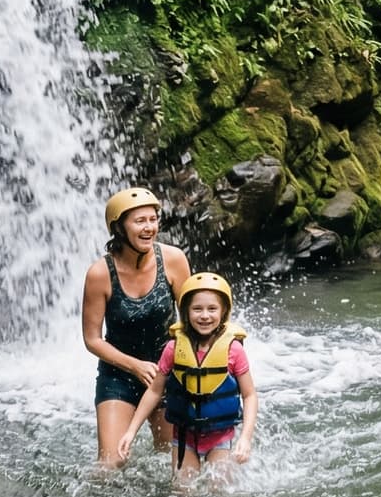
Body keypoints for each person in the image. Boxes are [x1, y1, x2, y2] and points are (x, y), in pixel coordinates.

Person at [82, 186, 192, 466]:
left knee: (172, 462)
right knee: (109, 465)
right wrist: (135, 366)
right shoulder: (99, 274)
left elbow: (192, 320)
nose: (149, 227)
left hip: (167, 374)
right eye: (139, 221)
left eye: (153, 219)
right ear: (119, 228)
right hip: (118, 376)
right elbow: (92, 339)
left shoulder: (173, 260)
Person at [118, 272, 258, 476]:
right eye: (197, 309)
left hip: (219, 437)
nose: (204, 316)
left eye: (212, 309)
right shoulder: (173, 349)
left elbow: (249, 395)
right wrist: (130, 432)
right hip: (184, 436)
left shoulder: (233, 350)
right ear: (185, 311)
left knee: (218, 493)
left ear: (224, 311)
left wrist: (246, 437)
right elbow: (155, 392)